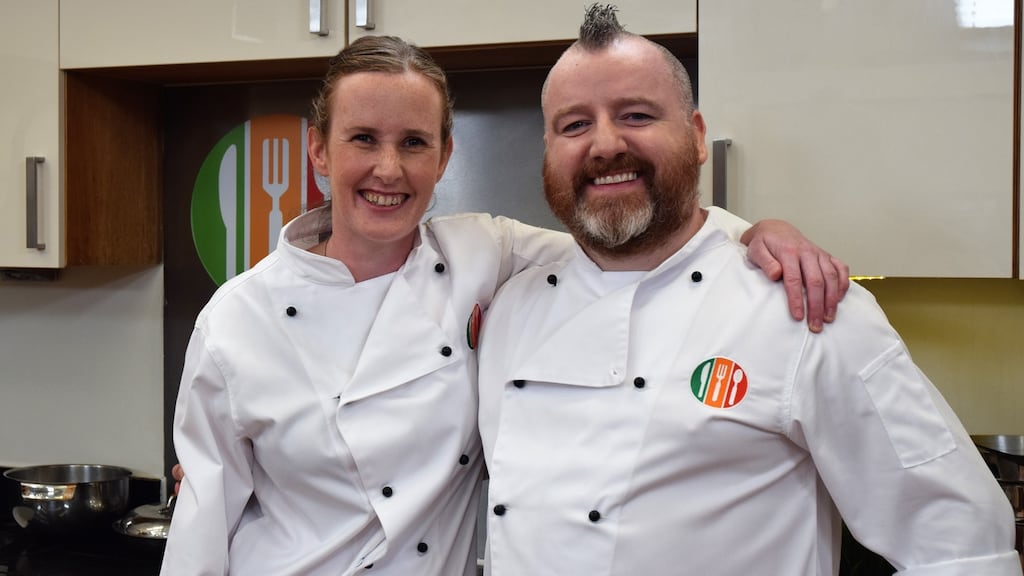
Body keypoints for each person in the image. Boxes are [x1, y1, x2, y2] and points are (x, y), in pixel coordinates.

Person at [159, 33, 850, 576]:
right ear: (318, 150)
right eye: (363, 139)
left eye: (414, 143)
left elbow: (643, 237)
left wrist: (753, 232)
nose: (389, 169)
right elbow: (201, 524)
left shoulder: (483, 256)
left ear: (445, 155)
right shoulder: (234, 320)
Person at [476, 5, 1021, 575]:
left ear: (698, 136)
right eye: (574, 124)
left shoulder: (807, 308)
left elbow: (961, 545)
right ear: (548, 151)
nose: (605, 144)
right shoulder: (512, 305)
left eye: (636, 115)